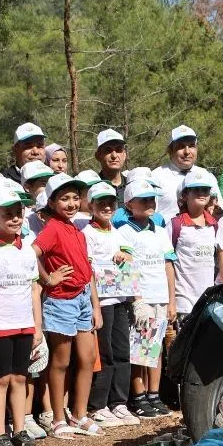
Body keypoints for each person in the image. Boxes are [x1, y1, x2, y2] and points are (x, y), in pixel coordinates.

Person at [31, 173, 104, 440]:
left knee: (86, 358)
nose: (71, 203)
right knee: (61, 361)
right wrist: (49, 278)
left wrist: (95, 306)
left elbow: (88, 269)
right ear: (51, 202)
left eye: (75, 197)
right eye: (64, 198)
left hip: (83, 297)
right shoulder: (52, 227)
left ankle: (80, 413)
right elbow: (32, 253)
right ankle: (59, 417)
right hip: (61, 300)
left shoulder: (76, 229)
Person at [0, 185, 43, 446]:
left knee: (20, 377)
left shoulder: (27, 249)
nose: (15, 219)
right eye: (8, 214)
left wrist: (37, 326)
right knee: (1, 378)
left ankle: (19, 429)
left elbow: (34, 289)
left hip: (24, 323)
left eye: (19, 213)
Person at [118, 180, 176, 420]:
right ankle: (139, 396)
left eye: (151, 199)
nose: (149, 203)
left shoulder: (160, 230)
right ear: (129, 204)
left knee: (157, 347)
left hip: (161, 296)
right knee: (141, 348)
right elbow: (126, 268)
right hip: (141, 298)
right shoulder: (124, 232)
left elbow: (168, 265)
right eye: (143, 200)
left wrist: (171, 300)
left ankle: (155, 394)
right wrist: (137, 300)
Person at [82, 181, 134, 431]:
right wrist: (93, 305)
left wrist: (125, 255)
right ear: (90, 205)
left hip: (120, 300)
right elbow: (88, 269)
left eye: (110, 202)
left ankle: (119, 402)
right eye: (100, 202)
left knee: (122, 350)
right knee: (104, 354)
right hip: (100, 302)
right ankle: (99, 404)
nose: (106, 207)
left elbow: (129, 255)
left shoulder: (118, 231)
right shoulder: (87, 234)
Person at [170, 174, 219, 319]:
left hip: (209, 301)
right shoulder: (175, 224)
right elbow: (167, 262)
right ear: (185, 195)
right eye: (196, 189)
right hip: (183, 303)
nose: (201, 193)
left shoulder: (214, 225)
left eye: (205, 190)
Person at [151, 125, 219, 221]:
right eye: (181, 147)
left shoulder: (207, 176)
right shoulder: (156, 177)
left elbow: (219, 211)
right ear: (170, 151)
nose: (187, 151)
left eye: (191, 146)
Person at [95, 129, 128, 196]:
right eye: (108, 150)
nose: (114, 155)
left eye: (118, 150)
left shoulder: (133, 186)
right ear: (98, 156)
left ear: (124, 155)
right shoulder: (92, 188)